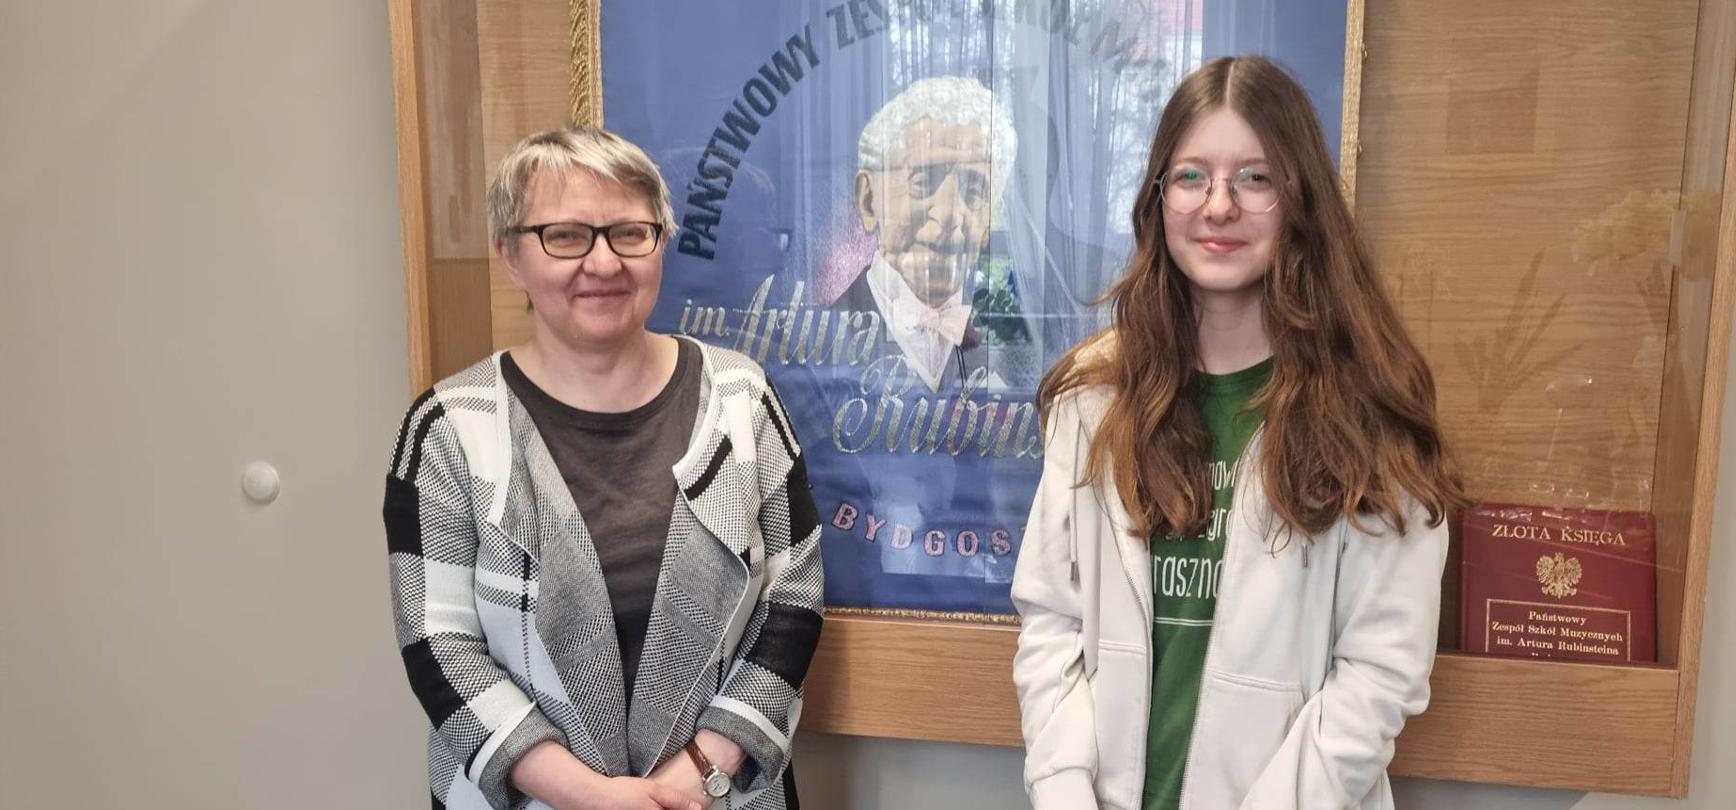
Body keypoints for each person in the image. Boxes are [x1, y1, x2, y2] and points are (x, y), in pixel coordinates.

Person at [1010, 56, 1470, 810]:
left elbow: (1380, 674)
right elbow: (1052, 621)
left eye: (1255, 178)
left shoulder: (1367, 410)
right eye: (1191, 176)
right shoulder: (1095, 396)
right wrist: (1064, 790)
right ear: (1158, 198)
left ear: (1301, 199)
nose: (1218, 206)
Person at [383, 127, 823, 810]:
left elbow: (792, 602)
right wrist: (588, 795)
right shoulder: (447, 427)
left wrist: (696, 773)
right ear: (510, 255)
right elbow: (438, 644)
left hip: (714, 794)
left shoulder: (743, 397)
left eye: (629, 233)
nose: (603, 262)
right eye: (564, 236)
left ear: (660, 243)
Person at [829, 75, 1033, 393]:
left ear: (988, 222)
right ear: (869, 200)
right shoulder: (821, 344)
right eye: (923, 182)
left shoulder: (1003, 354)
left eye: (974, 191)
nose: (949, 215)